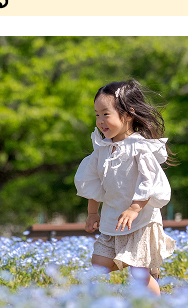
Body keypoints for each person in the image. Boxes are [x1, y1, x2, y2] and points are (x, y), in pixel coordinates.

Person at [74, 79, 177, 296]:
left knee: (138, 273)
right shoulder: (102, 148)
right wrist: (92, 213)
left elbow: (149, 182)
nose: (100, 121)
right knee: (99, 264)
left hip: (140, 221)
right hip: (113, 218)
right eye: (97, 115)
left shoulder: (139, 147)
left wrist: (134, 208)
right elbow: (94, 183)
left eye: (106, 114)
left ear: (128, 114)